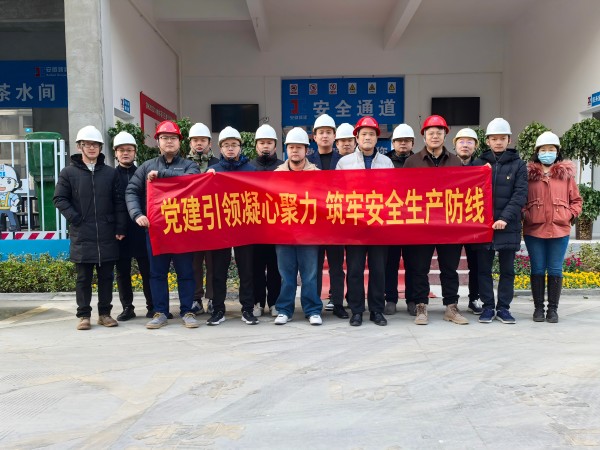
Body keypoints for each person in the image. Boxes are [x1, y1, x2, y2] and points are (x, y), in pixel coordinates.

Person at [125, 120, 201, 329]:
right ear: (157, 141)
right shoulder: (147, 166)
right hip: (156, 230)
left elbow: (193, 181)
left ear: (180, 142)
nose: (169, 141)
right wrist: (137, 214)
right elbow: (131, 191)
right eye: (164, 138)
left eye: (173, 138)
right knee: (157, 273)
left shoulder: (189, 166)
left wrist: (162, 175)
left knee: (186, 273)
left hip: (182, 229)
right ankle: (160, 312)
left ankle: (187, 311)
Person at [53, 125, 127, 330]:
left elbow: (119, 202)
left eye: (95, 144)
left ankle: (105, 314)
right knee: (83, 278)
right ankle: (84, 315)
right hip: (82, 233)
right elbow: (59, 199)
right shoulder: (68, 173)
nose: (92, 148)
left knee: (106, 277)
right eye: (87, 144)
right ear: (79, 147)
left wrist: (120, 228)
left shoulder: (110, 173)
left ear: (101, 147)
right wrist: (75, 218)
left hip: (107, 232)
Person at [403, 115, 468, 325]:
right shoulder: (412, 162)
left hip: (449, 225)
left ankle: (451, 306)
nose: (434, 136)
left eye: (439, 133)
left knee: (449, 268)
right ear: (424, 136)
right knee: (420, 268)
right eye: (430, 133)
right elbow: (404, 193)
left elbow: (463, 192)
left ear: (445, 136)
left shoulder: (455, 161)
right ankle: (421, 306)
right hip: (421, 225)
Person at [336, 116, 393, 326]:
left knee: (378, 270)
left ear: (377, 138)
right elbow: (337, 192)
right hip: (354, 226)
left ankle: (377, 310)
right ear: (357, 138)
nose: (367, 138)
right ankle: (357, 310)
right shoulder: (344, 163)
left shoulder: (386, 162)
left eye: (371, 134)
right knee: (354, 269)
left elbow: (392, 192)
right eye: (364, 134)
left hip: (379, 225)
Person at [473, 118, 527, 324]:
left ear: (509, 140)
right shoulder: (478, 163)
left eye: (502, 138)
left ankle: (504, 308)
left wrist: (504, 218)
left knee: (507, 271)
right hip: (484, 226)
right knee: (483, 270)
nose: (498, 142)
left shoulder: (518, 165)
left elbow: (520, 194)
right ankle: (488, 307)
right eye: (494, 138)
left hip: (508, 226)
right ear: (487, 141)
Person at [523, 131, 582, 323]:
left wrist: (569, 215)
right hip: (534, 230)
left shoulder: (566, 176)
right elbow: (520, 199)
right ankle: (538, 309)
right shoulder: (528, 175)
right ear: (537, 152)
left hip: (559, 230)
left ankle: (553, 310)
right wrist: (527, 214)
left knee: (555, 269)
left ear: (557, 152)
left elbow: (577, 201)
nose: (547, 153)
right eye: (543, 150)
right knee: (538, 268)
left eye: (551, 149)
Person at [206, 126, 258, 325]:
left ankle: (247, 309)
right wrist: (207, 179)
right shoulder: (214, 170)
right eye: (226, 145)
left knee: (247, 270)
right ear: (220, 148)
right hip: (221, 227)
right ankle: (218, 309)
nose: (230, 148)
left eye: (234, 145)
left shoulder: (251, 170)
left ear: (240, 147)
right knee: (219, 271)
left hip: (245, 226)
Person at [273, 127, 323, 325]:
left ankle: (312, 310)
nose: (295, 151)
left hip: (309, 234)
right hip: (283, 233)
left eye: (299, 147)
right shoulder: (276, 175)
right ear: (286, 150)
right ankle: (284, 309)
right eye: (291, 147)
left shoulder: (317, 174)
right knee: (286, 275)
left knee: (310, 275)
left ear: (306, 150)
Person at [307, 114, 347, 319]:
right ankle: (314, 306)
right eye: (321, 132)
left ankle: (338, 303)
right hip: (313, 223)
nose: (324, 136)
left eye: (328, 132)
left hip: (336, 222)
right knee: (313, 268)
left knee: (336, 267)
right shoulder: (306, 161)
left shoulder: (343, 162)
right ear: (314, 137)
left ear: (334, 136)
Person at [112, 131, 154, 321]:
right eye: (121, 150)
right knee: (122, 272)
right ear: (115, 153)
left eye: (129, 150)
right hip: (120, 232)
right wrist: (116, 228)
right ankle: (127, 307)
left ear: (135, 152)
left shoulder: (144, 173)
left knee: (148, 270)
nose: (125, 153)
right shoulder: (111, 176)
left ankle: (152, 306)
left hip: (143, 229)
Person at [249, 124, 283, 318]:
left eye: (269, 143)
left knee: (275, 267)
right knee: (256, 267)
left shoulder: (283, 167)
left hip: (277, 226)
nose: (265, 146)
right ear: (256, 146)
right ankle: (257, 302)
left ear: (275, 146)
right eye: (262, 143)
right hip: (254, 225)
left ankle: (275, 302)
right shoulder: (248, 168)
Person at [186, 122, 219, 316]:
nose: (199, 143)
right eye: (195, 140)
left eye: (203, 140)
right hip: (191, 219)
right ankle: (196, 298)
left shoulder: (218, 164)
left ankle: (213, 298)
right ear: (190, 143)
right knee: (194, 263)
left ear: (209, 143)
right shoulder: (183, 164)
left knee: (213, 262)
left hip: (213, 220)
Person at [383, 123, 415, 316]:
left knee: (413, 263)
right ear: (393, 143)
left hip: (414, 220)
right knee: (390, 263)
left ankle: (412, 300)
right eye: (399, 141)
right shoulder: (384, 162)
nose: (403, 144)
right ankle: (391, 299)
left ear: (412, 143)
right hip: (391, 221)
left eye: (407, 141)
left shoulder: (419, 162)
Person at [453, 128, 484, 315]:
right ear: (455, 145)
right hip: (452, 222)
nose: (465, 145)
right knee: (450, 265)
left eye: (469, 142)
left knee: (476, 264)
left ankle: (474, 298)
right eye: (461, 142)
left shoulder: (483, 167)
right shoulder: (448, 164)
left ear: (476, 146)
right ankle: (452, 301)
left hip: (474, 223)